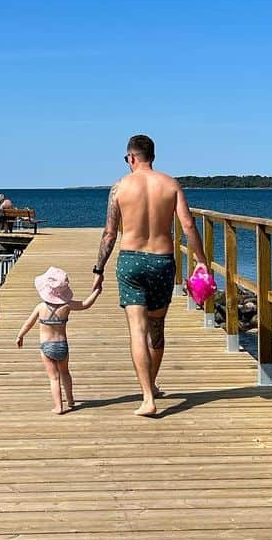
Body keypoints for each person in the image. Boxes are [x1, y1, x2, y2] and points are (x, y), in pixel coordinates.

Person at [91, 133, 207, 417]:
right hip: (162, 262)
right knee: (157, 328)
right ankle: (152, 384)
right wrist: (201, 261)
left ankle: (147, 397)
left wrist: (99, 269)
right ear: (152, 156)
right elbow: (189, 226)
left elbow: (109, 234)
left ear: (131, 157)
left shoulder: (119, 187)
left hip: (130, 261)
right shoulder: (170, 184)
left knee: (137, 330)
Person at [15, 265, 101, 414]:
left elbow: (29, 323)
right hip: (62, 345)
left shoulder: (41, 307)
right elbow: (85, 304)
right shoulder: (67, 306)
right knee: (65, 373)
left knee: (54, 378)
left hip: (46, 346)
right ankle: (71, 400)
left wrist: (20, 335)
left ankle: (58, 406)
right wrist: (97, 292)